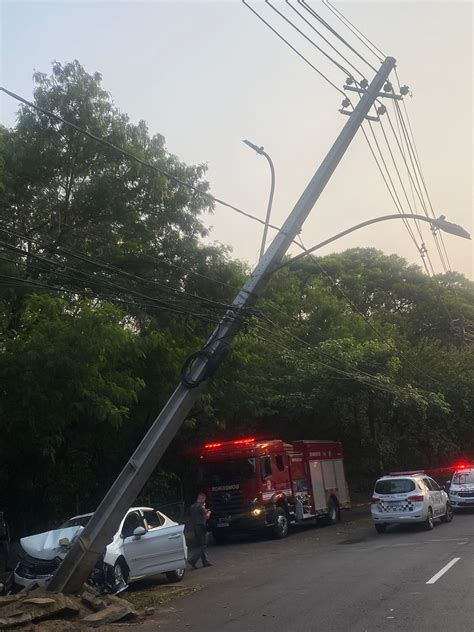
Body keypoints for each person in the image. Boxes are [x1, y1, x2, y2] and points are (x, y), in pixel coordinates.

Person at [188, 493, 212, 569]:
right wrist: (209, 512)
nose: (204, 501)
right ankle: (193, 560)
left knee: (199, 544)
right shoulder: (201, 506)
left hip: (195, 527)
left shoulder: (192, 506)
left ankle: (205, 562)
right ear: (202, 499)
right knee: (203, 545)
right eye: (204, 499)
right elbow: (206, 516)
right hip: (201, 526)